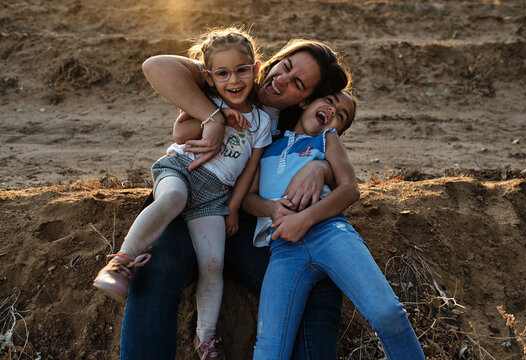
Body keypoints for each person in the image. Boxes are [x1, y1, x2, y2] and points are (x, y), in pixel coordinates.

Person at [120, 37, 351, 360]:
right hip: (189, 192)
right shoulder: (232, 76)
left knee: (317, 285)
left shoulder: (292, 124)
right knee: (154, 271)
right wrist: (212, 117)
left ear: (306, 100)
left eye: (298, 83)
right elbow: (156, 66)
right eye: (284, 66)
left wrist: (322, 168)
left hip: (244, 220)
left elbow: (332, 140)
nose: (281, 80)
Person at [93, 27, 272, 359]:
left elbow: (251, 168)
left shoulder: (262, 121)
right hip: (181, 171)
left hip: (215, 197)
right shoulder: (209, 102)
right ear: (208, 76)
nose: (233, 80)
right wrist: (215, 119)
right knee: (172, 199)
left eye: (242, 70)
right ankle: (121, 263)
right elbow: (180, 131)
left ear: (256, 69)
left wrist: (233, 207)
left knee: (214, 263)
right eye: (222, 73)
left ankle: (205, 339)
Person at [244, 91, 425, 360]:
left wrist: (304, 219)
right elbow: (249, 197)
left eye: (341, 116)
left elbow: (350, 189)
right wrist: (271, 209)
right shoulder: (269, 145)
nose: (332, 111)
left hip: (331, 234)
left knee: (387, 313)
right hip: (283, 250)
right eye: (328, 101)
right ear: (305, 102)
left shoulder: (327, 140)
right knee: (269, 347)